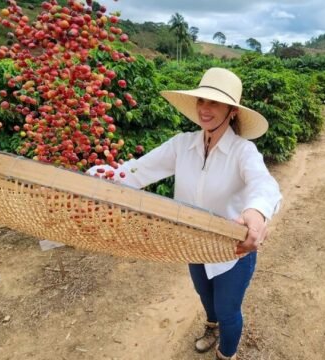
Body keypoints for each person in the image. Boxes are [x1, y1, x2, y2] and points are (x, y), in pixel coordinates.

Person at [87, 67, 282, 360]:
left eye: (214, 103)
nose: (205, 109)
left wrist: (255, 213)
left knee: (229, 310)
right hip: (192, 243)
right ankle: (210, 326)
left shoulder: (243, 152)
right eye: (202, 101)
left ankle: (226, 354)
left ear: (232, 111)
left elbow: (264, 184)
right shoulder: (183, 144)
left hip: (233, 250)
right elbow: (138, 170)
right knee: (205, 295)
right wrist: (101, 177)